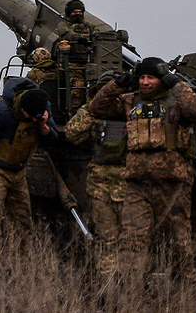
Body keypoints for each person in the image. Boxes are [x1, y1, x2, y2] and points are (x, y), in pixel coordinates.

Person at [88, 57, 196, 279]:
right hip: (137, 184)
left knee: (178, 239)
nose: (145, 82)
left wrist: (176, 84)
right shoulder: (129, 101)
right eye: (142, 77)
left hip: (173, 182)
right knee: (131, 240)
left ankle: (184, 287)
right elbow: (96, 108)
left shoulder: (176, 102)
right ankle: (128, 291)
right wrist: (116, 84)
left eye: (151, 78)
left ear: (161, 78)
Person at [0, 76, 59, 253]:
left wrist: (43, 127)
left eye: (37, 117)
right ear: (22, 109)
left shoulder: (43, 107)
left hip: (18, 173)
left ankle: (20, 270)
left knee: (24, 225)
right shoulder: (0, 112)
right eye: (30, 117)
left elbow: (54, 139)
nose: (34, 120)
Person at [64, 75, 127, 278]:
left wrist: (90, 111)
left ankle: (112, 285)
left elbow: (72, 134)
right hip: (120, 183)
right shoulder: (131, 108)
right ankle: (123, 287)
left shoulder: (96, 110)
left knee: (108, 239)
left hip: (107, 182)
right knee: (121, 239)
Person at [53, 0, 93, 105]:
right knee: (78, 86)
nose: (78, 15)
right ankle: (74, 110)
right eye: (75, 12)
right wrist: (77, 37)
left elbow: (97, 34)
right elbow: (65, 33)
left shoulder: (89, 26)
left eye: (80, 12)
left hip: (87, 63)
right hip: (71, 63)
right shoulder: (63, 25)